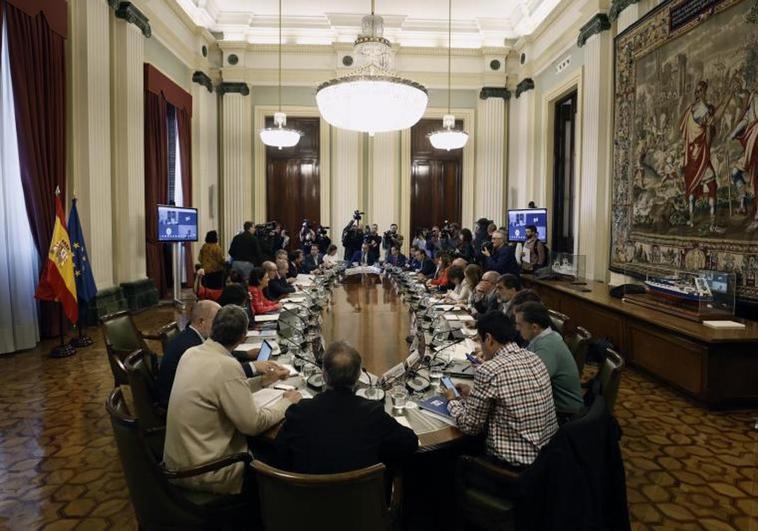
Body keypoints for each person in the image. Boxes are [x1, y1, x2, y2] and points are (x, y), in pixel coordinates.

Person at [164, 305, 301, 494]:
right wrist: (287, 402)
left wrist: (263, 381)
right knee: (282, 453)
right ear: (243, 337)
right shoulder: (226, 366)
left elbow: (222, 389)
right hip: (205, 472)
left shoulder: (192, 353)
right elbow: (253, 425)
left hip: (179, 462)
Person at [275, 341, 418, 474]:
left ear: (324, 375)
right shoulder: (373, 413)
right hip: (363, 500)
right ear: (358, 377)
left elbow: (280, 453)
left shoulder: (299, 412)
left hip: (306, 499)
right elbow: (410, 442)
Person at [443, 311, 558, 467]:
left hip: (513, 466)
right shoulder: (533, 357)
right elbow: (513, 400)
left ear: (489, 339)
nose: (481, 347)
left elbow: (470, 426)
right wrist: (472, 395)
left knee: (453, 454)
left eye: (480, 341)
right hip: (546, 458)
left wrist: (452, 401)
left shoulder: (489, 370)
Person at [514, 302, 584, 419]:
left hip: (565, 413)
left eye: (520, 325)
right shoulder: (543, 337)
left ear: (534, 327)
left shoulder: (547, 346)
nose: (517, 328)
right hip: (552, 405)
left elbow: (530, 384)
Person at [157, 301, 220, 408]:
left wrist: (246, 355)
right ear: (201, 322)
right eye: (217, 322)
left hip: (184, 396)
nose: (220, 326)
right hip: (175, 406)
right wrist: (252, 367)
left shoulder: (192, 336)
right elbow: (215, 374)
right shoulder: (190, 346)